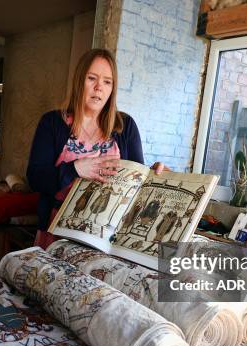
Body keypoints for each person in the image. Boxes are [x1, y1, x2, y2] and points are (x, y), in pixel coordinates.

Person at [27, 48, 168, 248]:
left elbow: (137, 187)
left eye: (107, 82)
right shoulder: (52, 123)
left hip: (108, 236)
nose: (99, 87)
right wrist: (74, 169)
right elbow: (34, 178)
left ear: (112, 88)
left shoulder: (126, 126)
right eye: (92, 78)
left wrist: (154, 175)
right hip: (56, 231)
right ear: (79, 82)